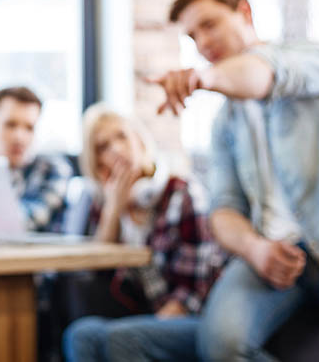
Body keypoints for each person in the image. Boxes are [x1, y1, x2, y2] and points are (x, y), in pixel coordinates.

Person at [150, 0, 319, 361]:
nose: (201, 43)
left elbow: (265, 75)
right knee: (221, 347)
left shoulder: (318, 61)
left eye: (209, 25)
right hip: (270, 258)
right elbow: (224, 209)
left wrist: (202, 79)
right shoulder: (225, 122)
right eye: (192, 37)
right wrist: (255, 248)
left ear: (244, 12)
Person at [63, 104, 226, 362]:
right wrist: (114, 209)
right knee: (81, 335)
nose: (116, 149)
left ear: (139, 140)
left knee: (121, 339)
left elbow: (192, 291)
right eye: (103, 147)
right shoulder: (105, 205)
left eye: (121, 137)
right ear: (97, 162)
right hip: (148, 316)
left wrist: (147, 327)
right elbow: (97, 274)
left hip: (198, 318)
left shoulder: (181, 191)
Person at [0, 86, 73, 233]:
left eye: (29, 128)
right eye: (11, 125)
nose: (19, 137)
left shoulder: (53, 169)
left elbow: (30, 219)